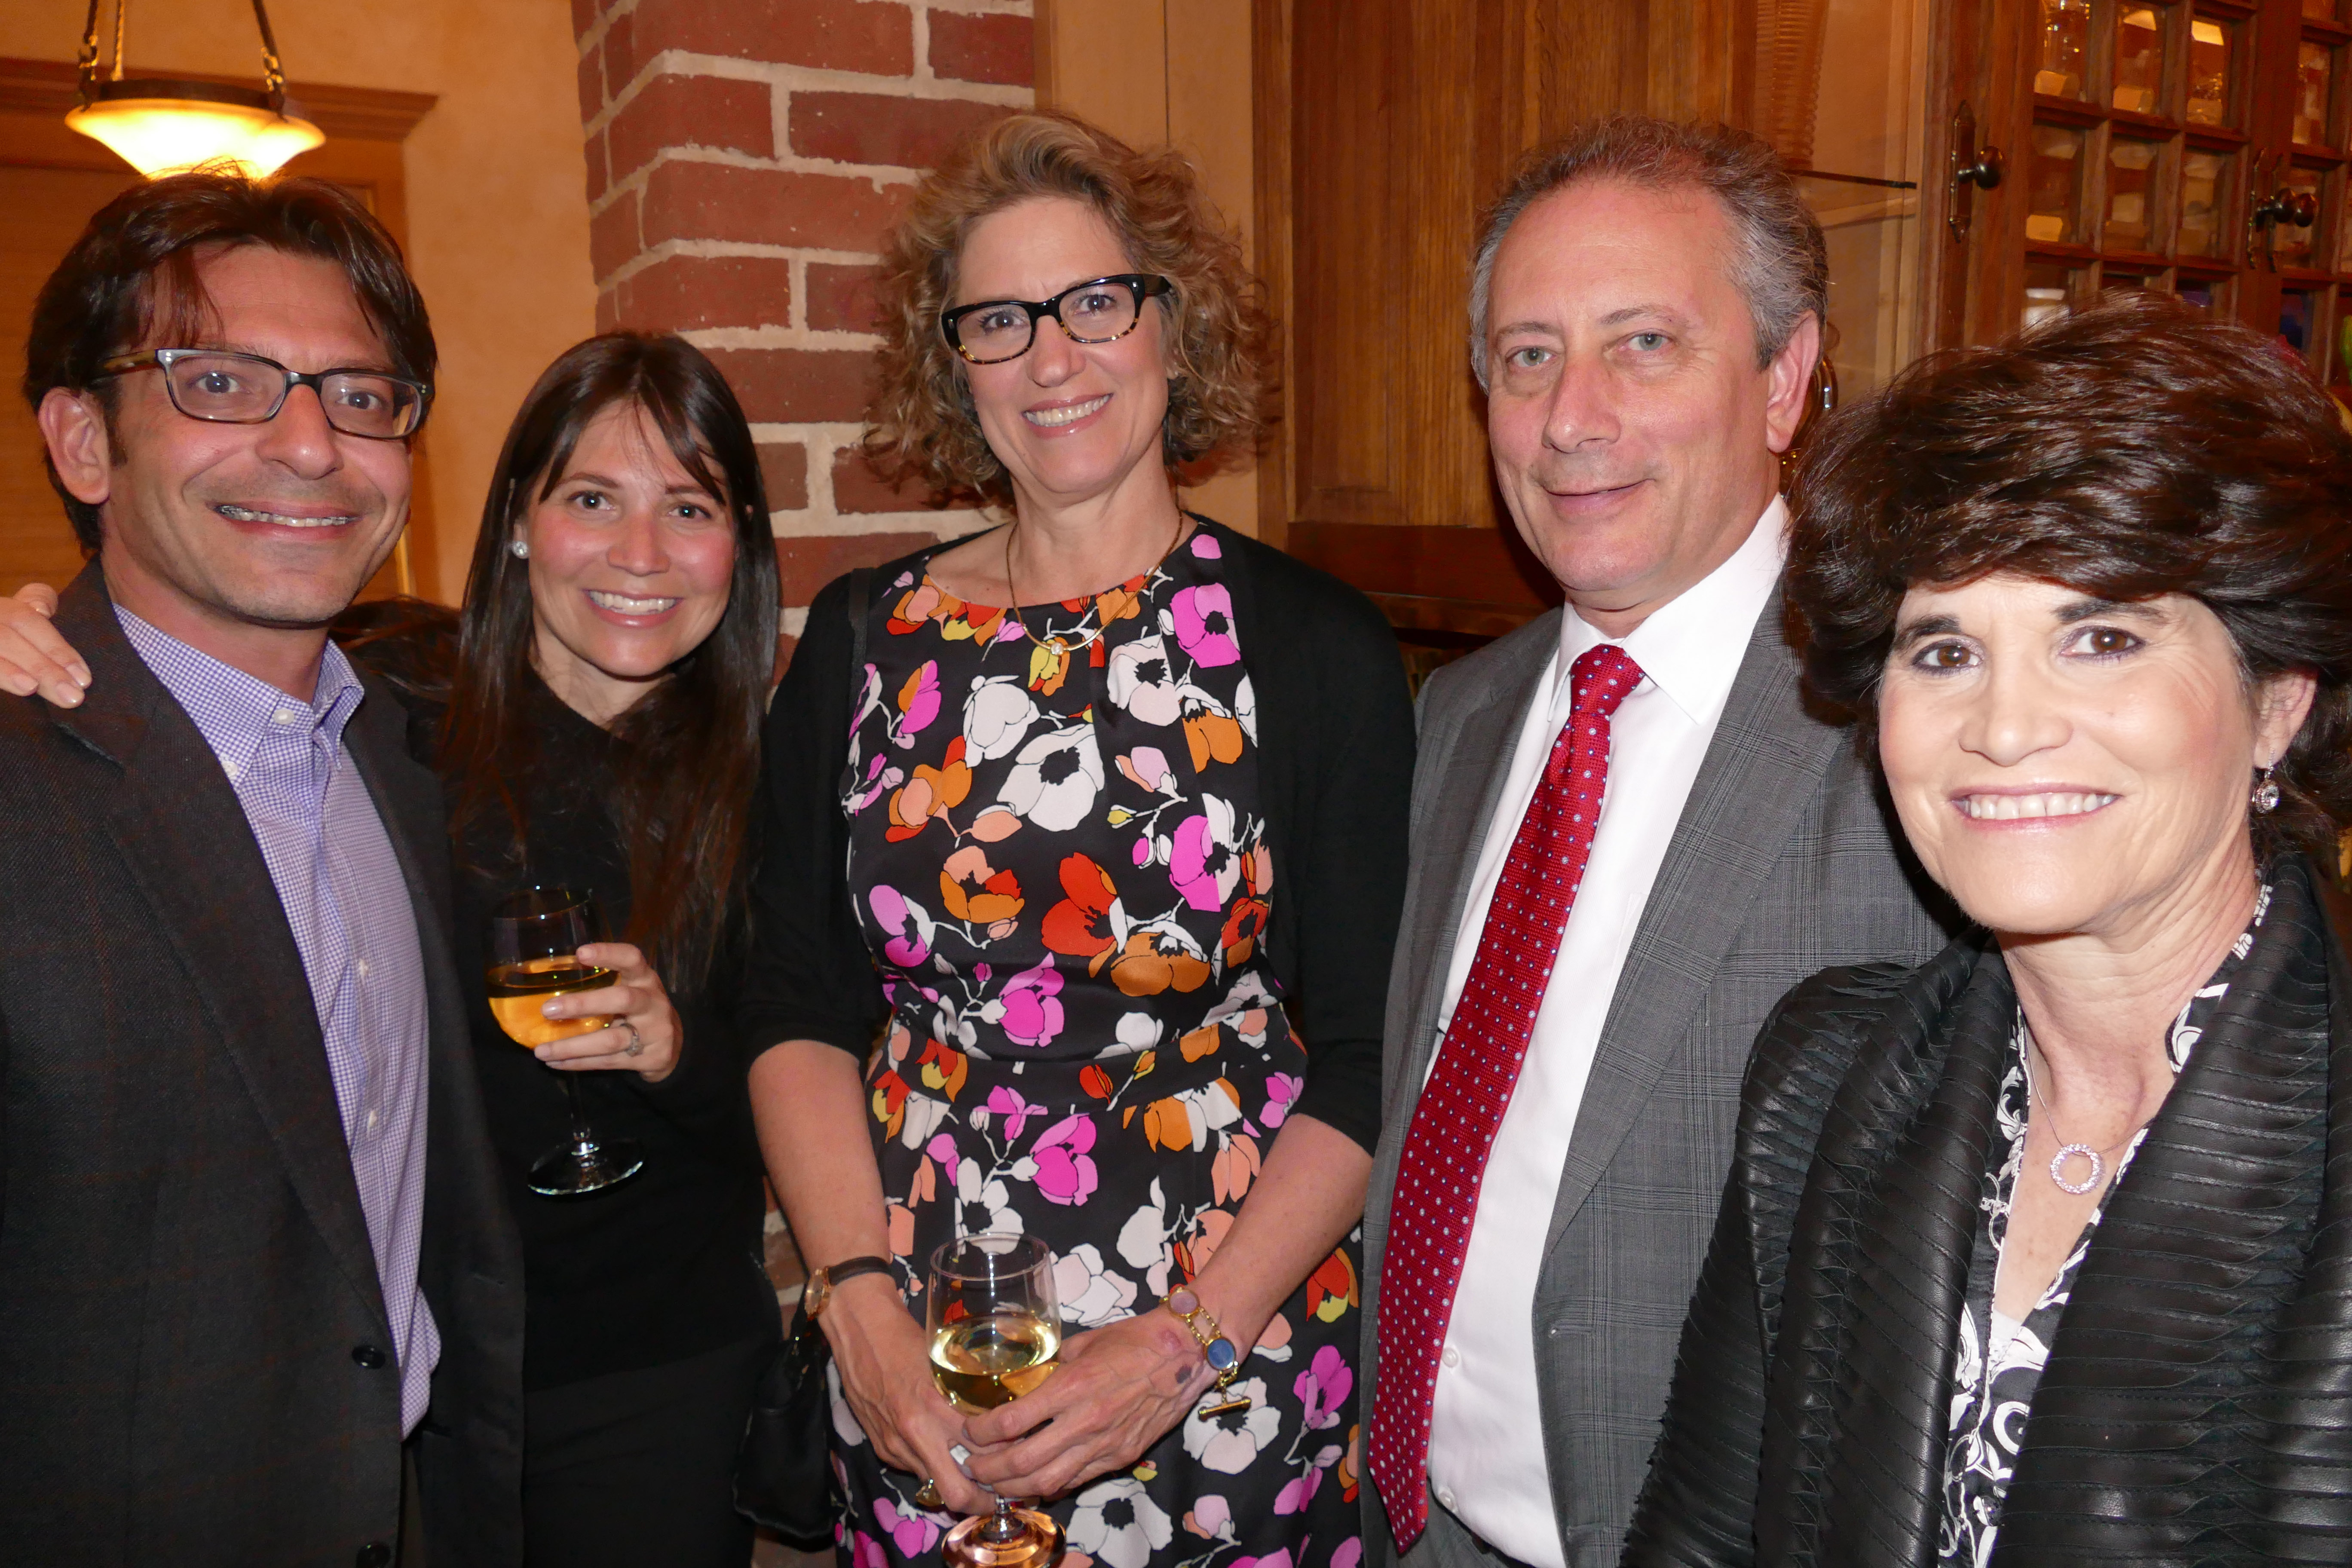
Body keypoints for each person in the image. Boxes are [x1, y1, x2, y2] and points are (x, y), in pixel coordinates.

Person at [739, 111, 1413, 1568]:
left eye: (1096, 302)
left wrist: (1183, 1345)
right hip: (922, 1361)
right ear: (953, 363)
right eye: (999, 321)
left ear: (1174, 327)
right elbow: (791, 998)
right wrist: (854, 1301)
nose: (1053, 359)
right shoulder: (864, 639)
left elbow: (1369, 1052)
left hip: (1224, 1354)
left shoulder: (1309, 647)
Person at [2, 333, 785, 1565]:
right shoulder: (387, 711)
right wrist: (35, 630)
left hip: (657, 1374)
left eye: (688, 507)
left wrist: (675, 1052)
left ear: (737, 547)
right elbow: (178, 672)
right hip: (417, 1366)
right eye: (591, 498)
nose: (641, 555)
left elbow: (803, 1115)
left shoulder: (772, 786)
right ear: (520, 522)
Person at [1623, 294, 2352, 1565]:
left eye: (2104, 638)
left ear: (2277, 702)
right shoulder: (1826, 1073)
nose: (2005, 730)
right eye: (1945, 652)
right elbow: (1699, 1537)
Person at [1357, 117, 1959, 1568]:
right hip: (1410, 1524)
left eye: (1644, 345)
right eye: (1526, 356)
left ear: (1784, 381)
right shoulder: (1465, 710)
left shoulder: (1911, 731)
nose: (1572, 418)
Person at [0, 170, 521, 1562]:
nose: (311, 446)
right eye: (223, 383)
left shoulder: (404, 756)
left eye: (360, 395)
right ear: (83, 440)